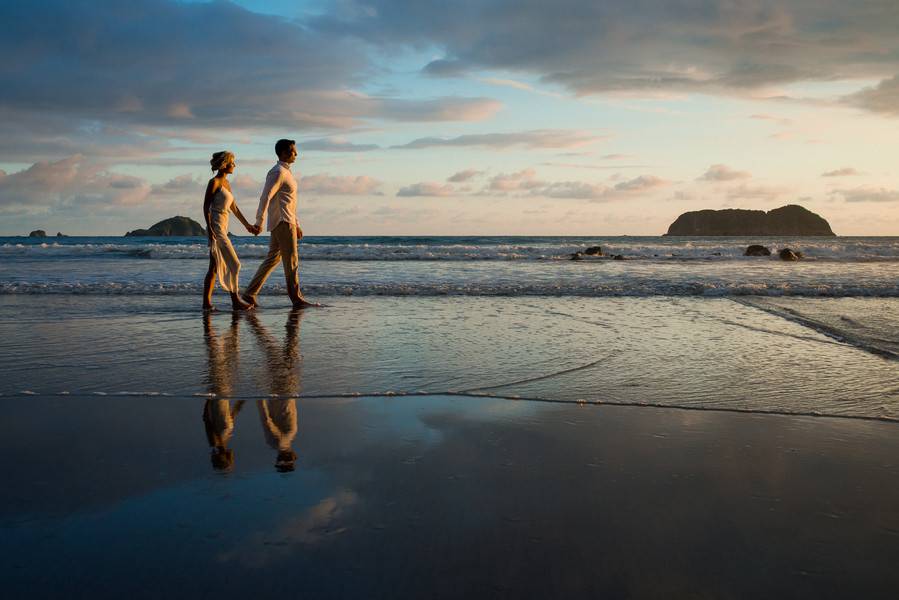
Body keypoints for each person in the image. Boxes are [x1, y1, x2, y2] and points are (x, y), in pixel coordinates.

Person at [244, 139, 319, 309]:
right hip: (283, 222)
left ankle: (249, 294)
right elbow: (265, 197)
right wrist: (259, 221)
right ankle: (296, 299)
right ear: (284, 153)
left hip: (287, 220)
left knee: (272, 259)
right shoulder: (277, 172)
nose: (296, 154)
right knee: (291, 260)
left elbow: (290, 202)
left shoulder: (286, 172)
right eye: (293, 151)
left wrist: (297, 223)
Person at [203, 151, 260, 311]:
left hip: (223, 227)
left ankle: (206, 304)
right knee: (235, 264)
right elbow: (206, 207)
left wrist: (247, 225)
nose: (234, 165)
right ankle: (235, 300)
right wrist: (210, 230)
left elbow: (233, 207)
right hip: (216, 228)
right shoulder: (214, 182)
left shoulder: (227, 184)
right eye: (232, 162)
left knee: (213, 267)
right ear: (225, 164)